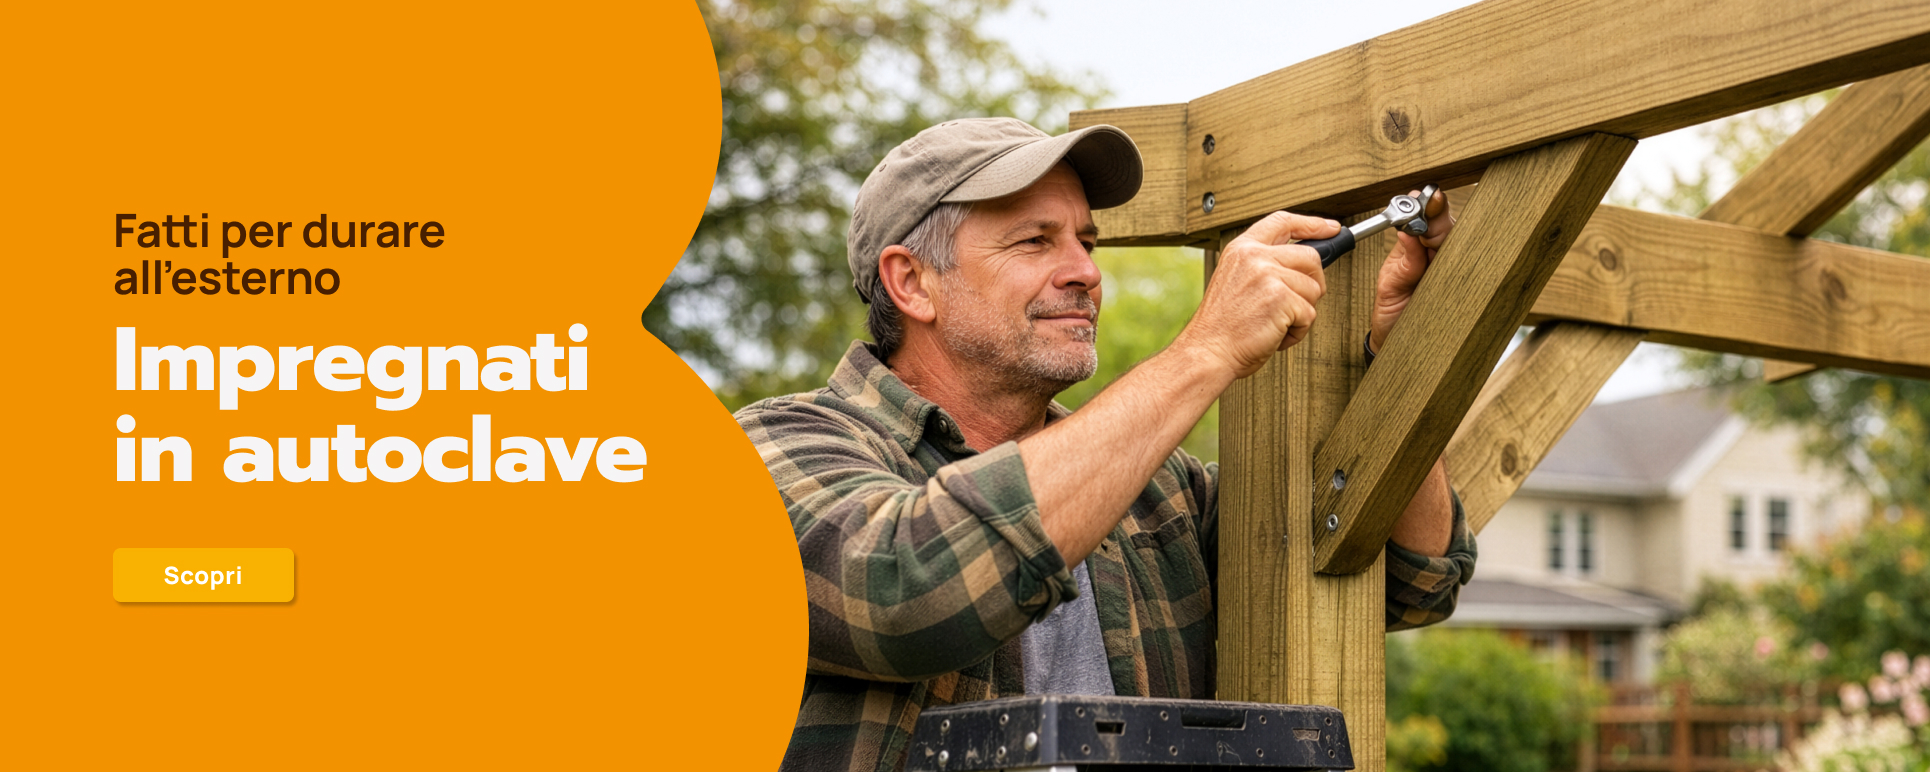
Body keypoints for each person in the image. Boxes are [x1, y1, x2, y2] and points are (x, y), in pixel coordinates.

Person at [737, 117, 1477, 772]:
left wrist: (1402, 362)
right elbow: (901, 594)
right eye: (1035, 241)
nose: (1087, 272)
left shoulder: (1165, 494)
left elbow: (1408, 581)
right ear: (912, 282)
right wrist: (1204, 350)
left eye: (1087, 242)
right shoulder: (765, 454)